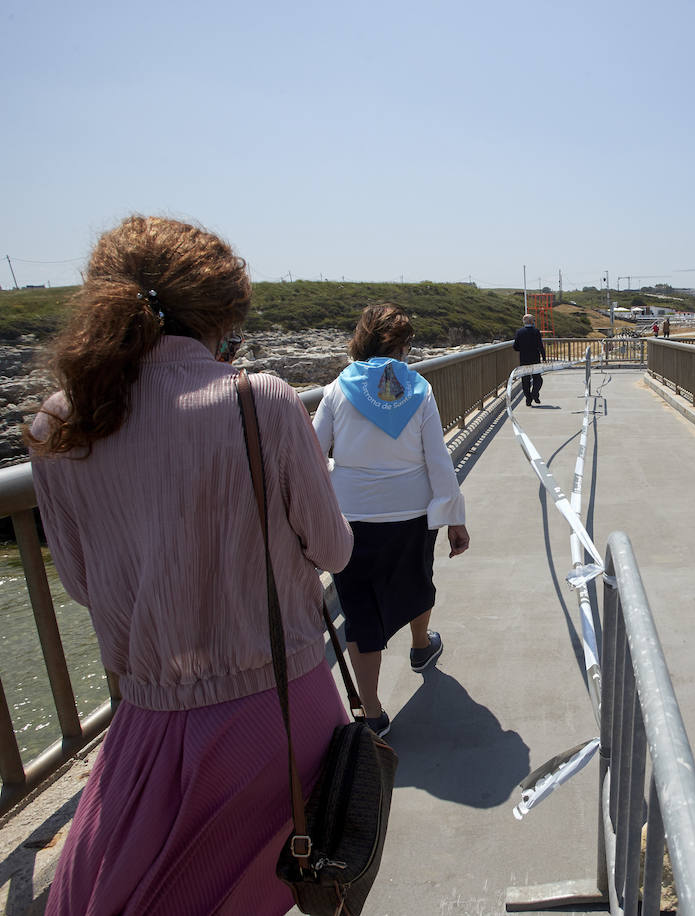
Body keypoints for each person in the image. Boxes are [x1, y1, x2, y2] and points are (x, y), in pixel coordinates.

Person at [26, 216, 355, 914]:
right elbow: (334, 550)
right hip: (278, 709)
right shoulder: (258, 400)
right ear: (221, 318)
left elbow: (82, 583)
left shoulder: (59, 422)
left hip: (149, 718)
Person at [313, 304, 471, 737]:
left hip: (352, 519)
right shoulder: (418, 389)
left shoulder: (336, 390)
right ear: (402, 347)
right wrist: (454, 518)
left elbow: (312, 453)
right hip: (411, 515)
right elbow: (438, 459)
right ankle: (421, 647)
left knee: (360, 613)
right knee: (416, 582)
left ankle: (373, 712)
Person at [513, 313, 546, 404]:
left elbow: (515, 347)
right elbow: (540, 346)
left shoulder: (519, 332)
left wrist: (523, 349)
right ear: (532, 322)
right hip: (535, 359)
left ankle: (528, 398)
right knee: (538, 379)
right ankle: (535, 394)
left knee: (525, 380)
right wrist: (544, 357)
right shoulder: (536, 332)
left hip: (524, 359)